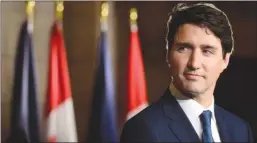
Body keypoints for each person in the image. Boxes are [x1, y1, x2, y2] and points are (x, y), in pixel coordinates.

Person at [120, 2, 254, 142]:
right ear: (168, 55)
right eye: (184, 48)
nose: (194, 63)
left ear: (225, 60)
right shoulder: (143, 129)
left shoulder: (240, 130)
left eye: (207, 51)